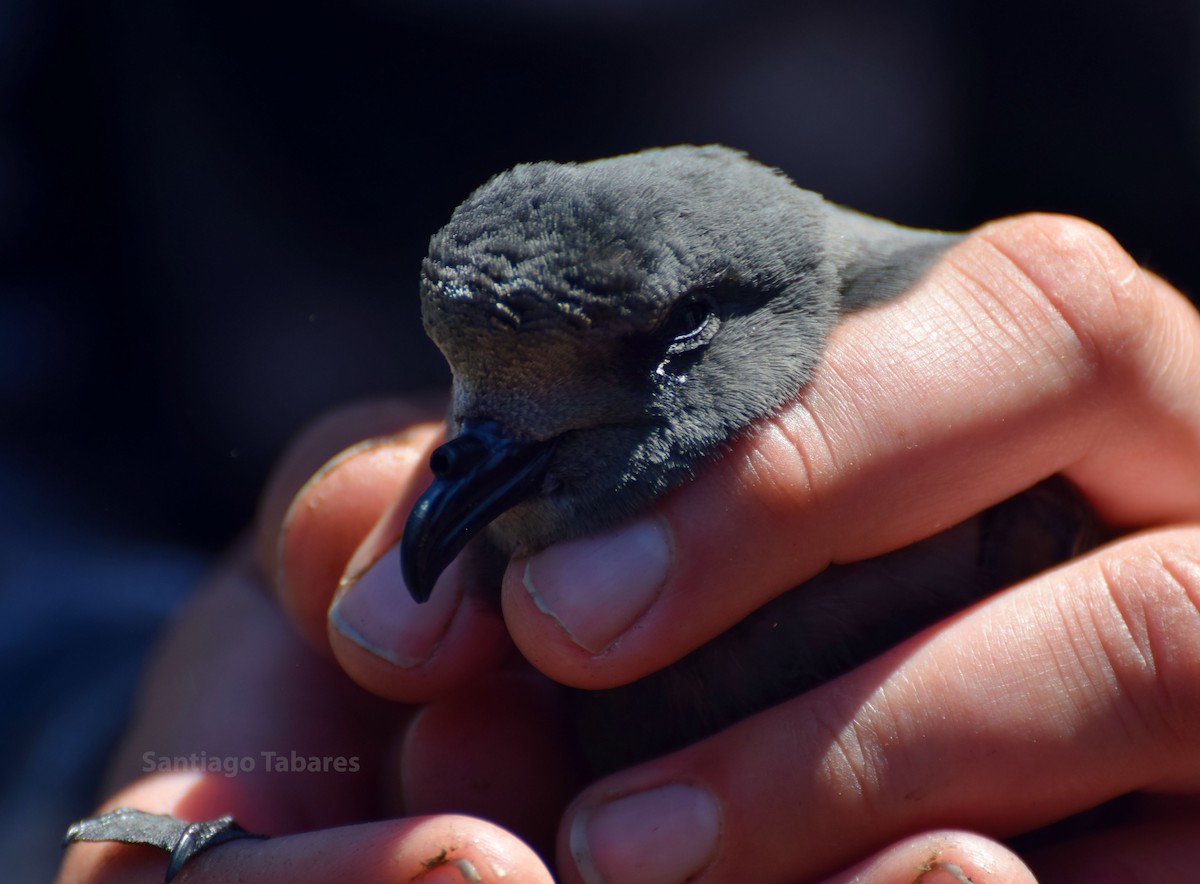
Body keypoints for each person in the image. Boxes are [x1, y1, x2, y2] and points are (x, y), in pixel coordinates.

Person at [57, 213, 1200, 883]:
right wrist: (133, 784)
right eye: (474, 390)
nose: (468, 459)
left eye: (645, 355)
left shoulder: (1014, 492)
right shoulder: (474, 560)